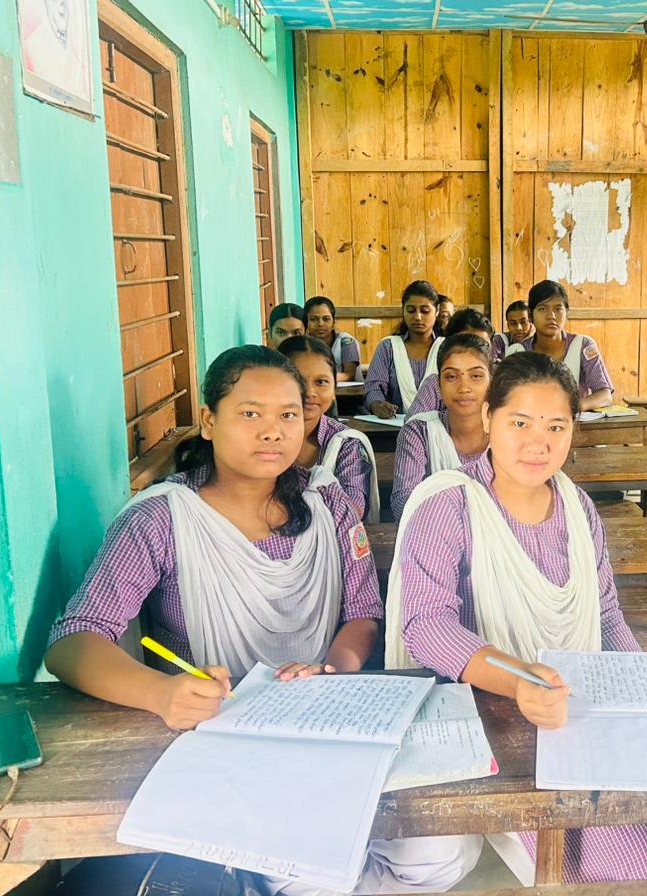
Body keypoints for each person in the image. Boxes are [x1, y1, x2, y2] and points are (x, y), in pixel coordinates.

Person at [44, 346, 476, 895]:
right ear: (209, 421)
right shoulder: (161, 518)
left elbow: (364, 614)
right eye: (250, 413)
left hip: (330, 724)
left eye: (288, 414)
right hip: (221, 737)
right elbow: (73, 642)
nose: (273, 431)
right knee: (308, 870)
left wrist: (332, 670)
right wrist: (162, 693)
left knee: (441, 851)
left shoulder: (328, 504)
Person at [386, 352, 647, 884]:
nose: (538, 443)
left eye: (556, 426)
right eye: (520, 423)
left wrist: (644, 685)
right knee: (620, 858)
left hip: (571, 698)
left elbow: (605, 613)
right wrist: (519, 681)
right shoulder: (449, 505)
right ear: (488, 418)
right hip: (491, 711)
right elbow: (427, 625)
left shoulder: (577, 507)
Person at [390, 334, 492, 519]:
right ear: (438, 384)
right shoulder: (420, 431)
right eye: (451, 376)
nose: (464, 387)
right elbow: (403, 502)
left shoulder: (510, 433)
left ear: (491, 382)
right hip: (434, 534)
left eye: (476, 376)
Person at [279, 336, 378, 523]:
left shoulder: (346, 444)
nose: (310, 392)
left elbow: (353, 508)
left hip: (331, 538)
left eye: (321, 382)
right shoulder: (261, 437)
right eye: (297, 380)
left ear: (334, 389)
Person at [504, 281, 614, 411]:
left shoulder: (582, 345)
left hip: (574, 421)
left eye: (558, 309)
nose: (551, 316)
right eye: (542, 309)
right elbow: (507, 399)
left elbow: (605, 395)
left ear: (566, 313)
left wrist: (571, 408)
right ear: (530, 315)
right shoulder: (517, 352)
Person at [363, 280, 445, 418]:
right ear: (403, 311)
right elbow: (373, 388)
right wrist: (377, 405)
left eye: (425, 311)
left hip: (440, 425)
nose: (417, 317)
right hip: (394, 425)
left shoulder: (447, 348)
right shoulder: (389, 347)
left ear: (437, 311)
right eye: (411, 310)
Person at [408, 308, 495, 416]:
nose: (472, 352)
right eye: (465, 344)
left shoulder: (505, 381)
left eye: (482, 345)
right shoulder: (435, 384)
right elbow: (414, 421)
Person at [304, 295, 360, 380]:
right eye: (313, 319)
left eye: (326, 319)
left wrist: (321, 379)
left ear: (334, 322)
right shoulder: (303, 344)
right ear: (306, 322)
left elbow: (348, 374)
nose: (320, 324)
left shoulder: (345, 341)